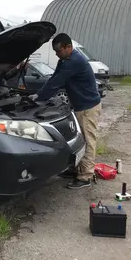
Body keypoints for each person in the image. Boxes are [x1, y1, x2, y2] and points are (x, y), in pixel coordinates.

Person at [29, 33, 102, 189]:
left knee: (88, 141)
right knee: (78, 140)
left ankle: (86, 176)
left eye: (59, 51)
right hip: (80, 106)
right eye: (55, 52)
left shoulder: (74, 61)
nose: (57, 54)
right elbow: (53, 78)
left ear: (69, 47)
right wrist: (39, 94)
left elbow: (56, 83)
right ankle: (76, 169)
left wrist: (38, 99)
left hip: (88, 107)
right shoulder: (65, 60)